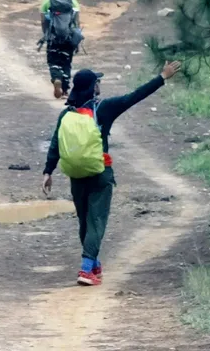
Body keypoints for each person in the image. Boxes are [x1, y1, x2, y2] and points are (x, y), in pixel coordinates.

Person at [42, 61, 183, 286]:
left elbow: (55, 144)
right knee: (96, 221)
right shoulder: (103, 109)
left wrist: (48, 171)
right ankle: (86, 269)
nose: (99, 84)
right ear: (93, 87)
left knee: (85, 222)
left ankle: (94, 264)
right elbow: (134, 97)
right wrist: (161, 77)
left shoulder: (66, 114)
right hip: (100, 175)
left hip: (76, 176)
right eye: (97, 82)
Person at [38, 0, 83, 99]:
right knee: (66, 62)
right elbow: (77, 23)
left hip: (53, 37)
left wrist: (46, 33)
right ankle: (64, 90)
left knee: (53, 61)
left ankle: (56, 78)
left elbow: (43, 20)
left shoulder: (48, 1)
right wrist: (77, 43)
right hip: (68, 37)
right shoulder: (73, 1)